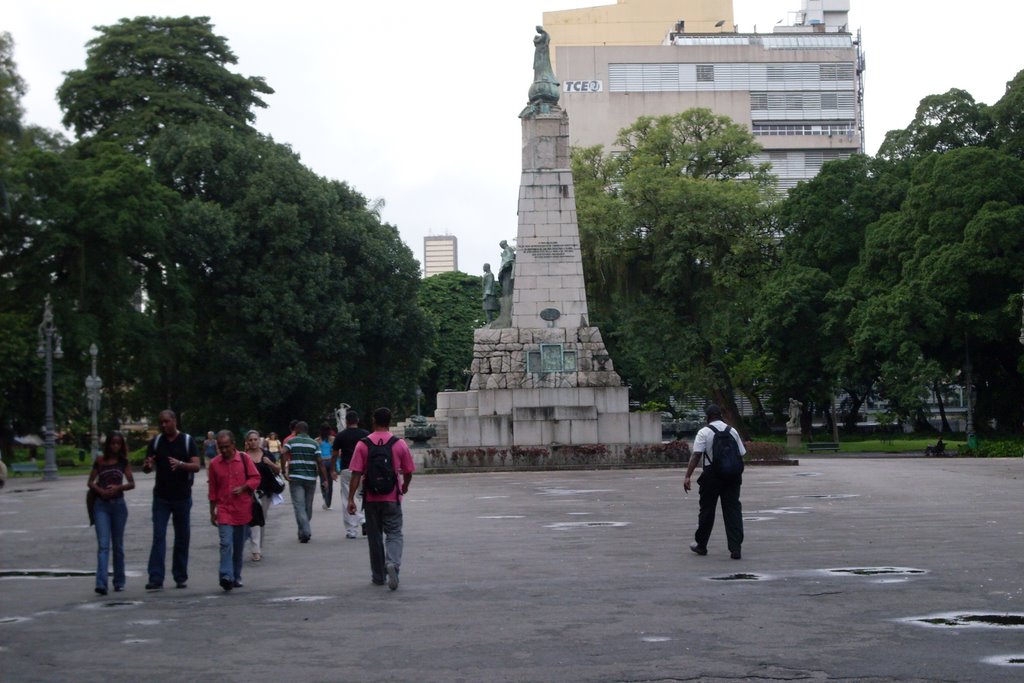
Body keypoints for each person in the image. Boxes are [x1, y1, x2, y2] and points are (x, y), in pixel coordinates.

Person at [347, 407, 415, 590]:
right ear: (390, 421)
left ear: (374, 421)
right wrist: (405, 486)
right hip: (392, 496)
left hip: (371, 498)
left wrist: (351, 499)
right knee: (394, 533)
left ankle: (378, 576)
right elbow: (408, 470)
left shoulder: (363, 444)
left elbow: (356, 473)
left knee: (374, 537)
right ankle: (392, 563)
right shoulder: (398, 444)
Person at [142, 410, 200, 590]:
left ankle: (180, 576)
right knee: (159, 536)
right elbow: (147, 466)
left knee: (182, 537)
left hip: (182, 496)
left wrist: (181, 465)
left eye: (167, 421)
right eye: (161, 422)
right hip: (161, 497)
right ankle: (155, 577)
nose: (164, 425)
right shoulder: (156, 442)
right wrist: (148, 466)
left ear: (175, 421)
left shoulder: (187, 441)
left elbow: (196, 465)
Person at [684, 404, 746, 560]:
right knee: (733, 510)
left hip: (711, 475)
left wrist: (687, 476)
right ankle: (735, 548)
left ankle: (701, 545)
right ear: (721, 416)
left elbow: (696, 455)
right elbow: (741, 453)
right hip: (732, 475)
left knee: (707, 511)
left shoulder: (704, 432)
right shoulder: (732, 431)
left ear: (707, 418)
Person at [208, 430, 261, 591]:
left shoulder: (244, 459)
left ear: (233, 445)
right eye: (220, 447)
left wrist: (244, 487)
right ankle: (226, 575)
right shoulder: (214, 464)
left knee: (238, 547)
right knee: (225, 543)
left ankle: (236, 576)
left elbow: (256, 478)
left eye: (226, 447)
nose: (223, 450)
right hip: (224, 509)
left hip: (242, 509)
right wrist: (212, 511)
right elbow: (213, 489)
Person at [88, 432, 135, 595]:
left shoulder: (123, 462)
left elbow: (131, 483)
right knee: (103, 545)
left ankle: (119, 581)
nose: (115, 446)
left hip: (118, 506)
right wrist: (100, 490)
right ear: (108, 445)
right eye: (112, 443)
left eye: (118, 444)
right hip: (102, 506)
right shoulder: (100, 460)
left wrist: (118, 488)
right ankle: (101, 583)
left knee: (118, 546)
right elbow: (90, 482)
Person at [282, 421, 327, 543]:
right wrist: (325, 479)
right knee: (307, 506)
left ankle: (304, 530)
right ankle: (304, 531)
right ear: (307, 431)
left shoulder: (291, 442)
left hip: (295, 477)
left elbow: (283, 452)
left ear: (296, 430)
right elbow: (320, 462)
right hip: (311, 478)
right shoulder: (314, 443)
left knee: (299, 506)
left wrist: (283, 470)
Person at [243, 430, 281, 562]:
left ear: (259, 440)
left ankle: (257, 547)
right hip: (249, 493)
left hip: (265, 492)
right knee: (252, 520)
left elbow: (277, 471)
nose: (253, 442)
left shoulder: (267, 454)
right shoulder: (243, 457)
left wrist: (269, 463)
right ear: (247, 442)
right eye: (251, 440)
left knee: (260, 519)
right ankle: (255, 548)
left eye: (255, 439)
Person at [333, 410, 369, 539]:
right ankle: (365, 520)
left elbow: (335, 453)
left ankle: (352, 530)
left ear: (347, 422)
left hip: (347, 469)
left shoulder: (341, 435)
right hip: (363, 470)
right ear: (357, 421)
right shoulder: (365, 434)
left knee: (347, 498)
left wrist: (332, 469)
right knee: (365, 497)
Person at [317, 424, 334, 510]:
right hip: (330, 461)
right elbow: (334, 452)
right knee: (330, 483)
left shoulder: (317, 440)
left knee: (323, 481)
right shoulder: (332, 440)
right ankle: (328, 503)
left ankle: (325, 499)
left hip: (321, 462)